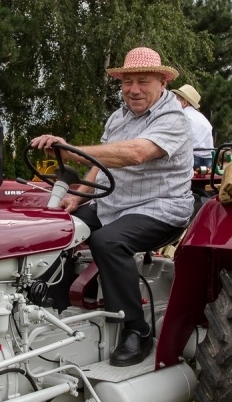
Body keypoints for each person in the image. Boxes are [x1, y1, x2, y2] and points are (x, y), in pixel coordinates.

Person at [30, 47, 192, 367]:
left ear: (162, 82)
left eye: (143, 81)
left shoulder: (172, 118)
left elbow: (135, 154)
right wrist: (77, 198)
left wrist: (70, 151)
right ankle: (52, 308)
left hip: (161, 207)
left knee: (109, 241)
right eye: (127, 81)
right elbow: (99, 165)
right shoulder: (119, 117)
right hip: (114, 203)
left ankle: (137, 329)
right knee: (59, 227)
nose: (134, 89)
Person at [171, 84, 214, 169]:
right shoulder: (202, 118)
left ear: (184, 102)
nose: (174, 102)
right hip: (209, 159)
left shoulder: (182, 116)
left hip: (192, 158)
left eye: (177, 99)